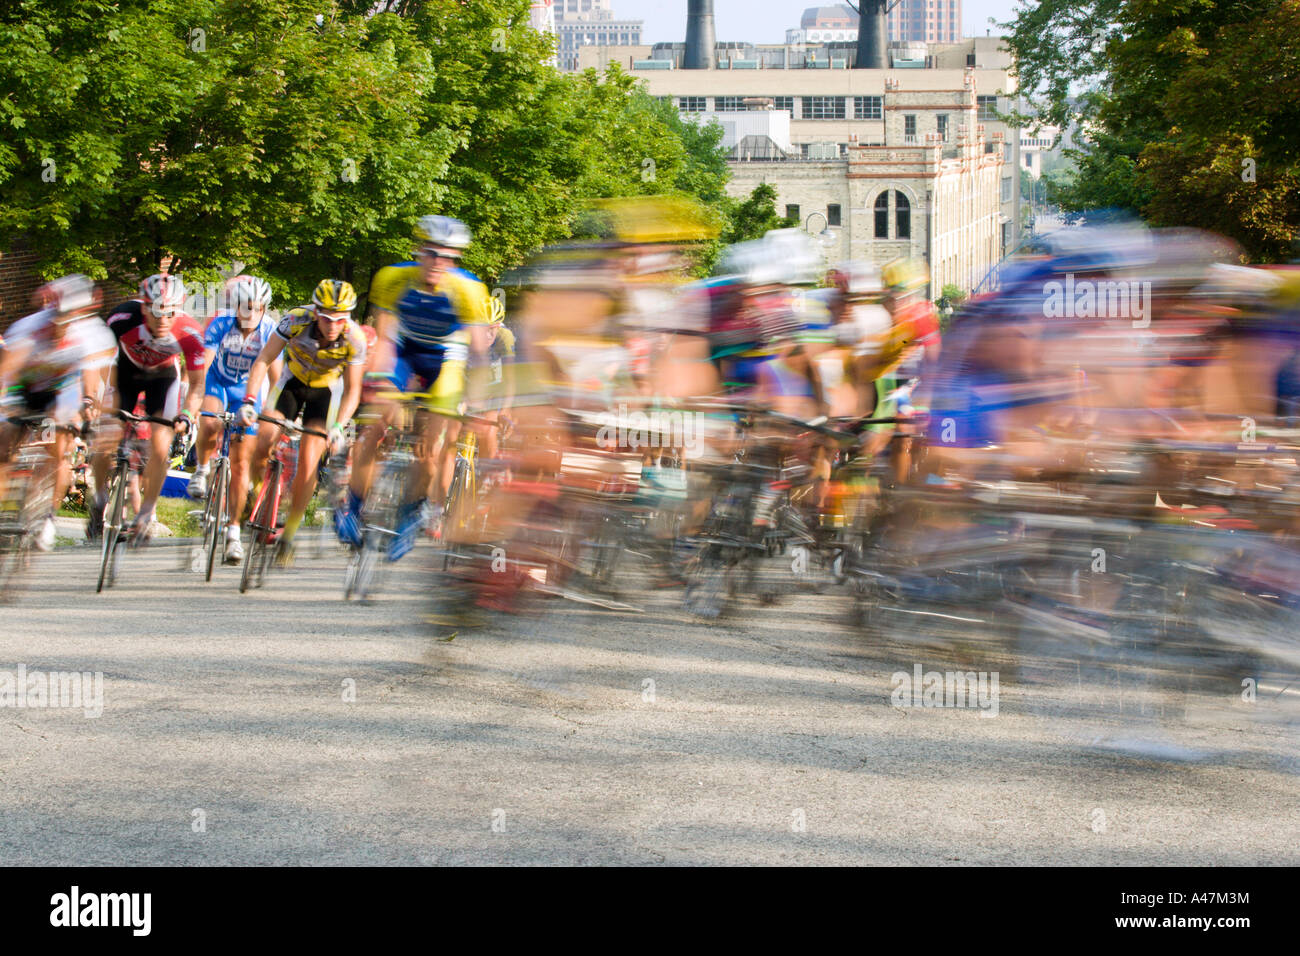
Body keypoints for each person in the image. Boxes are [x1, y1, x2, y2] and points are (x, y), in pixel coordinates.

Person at [336, 215, 491, 561]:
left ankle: (411, 513)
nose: (439, 263)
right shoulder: (393, 278)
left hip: (446, 358)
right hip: (404, 349)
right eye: (432, 253)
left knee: (430, 447)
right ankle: (354, 504)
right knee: (374, 426)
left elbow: (479, 354)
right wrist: (380, 388)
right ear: (418, 251)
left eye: (449, 257)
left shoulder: (468, 290)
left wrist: (478, 401)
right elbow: (385, 340)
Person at [240, 279, 366, 565]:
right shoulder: (295, 318)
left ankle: (290, 533)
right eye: (326, 317)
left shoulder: (355, 339)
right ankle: (258, 495)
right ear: (316, 310)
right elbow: (263, 360)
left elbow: (353, 390)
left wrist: (338, 427)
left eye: (340, 319)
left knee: (309, 462)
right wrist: (249, 400)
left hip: (325, 392)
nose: (332, 325)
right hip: (291, 382)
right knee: (264, 436)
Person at [0, 275, 116, 550]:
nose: (61, 322)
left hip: (61, 391)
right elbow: (8, 371)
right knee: (4, 445)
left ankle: (48, 516)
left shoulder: (88, 335)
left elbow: (88, 378)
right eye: (57, 315)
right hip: (24, 385)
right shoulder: (28, 328)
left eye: (70, 316)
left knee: (57, 446)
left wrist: (87, 405)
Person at [91, 273, 206, 543]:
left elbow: (198, 385)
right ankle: (98, 499)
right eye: (156, 314)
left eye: (170, 314)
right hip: (125, 373)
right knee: (106, 435)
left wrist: (187, 415)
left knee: (160, 446)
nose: (163, 321)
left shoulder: (190, 333)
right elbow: (98, 362)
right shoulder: (122, 319)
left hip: (162, 379)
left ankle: (146, 512)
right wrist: (100, 400)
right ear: (143, 307)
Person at [187, 276, 282, 564]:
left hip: (247, 392)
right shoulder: (220, 323)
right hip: (218, 382)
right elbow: (204, 366)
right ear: (236, 305)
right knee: (210, 422)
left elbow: (275, 379)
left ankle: (233, 533)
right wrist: (197, 400)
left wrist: (272, 415)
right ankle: (203, 468)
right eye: (245, 307)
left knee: (241, 464)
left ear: (265, 307)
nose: (251, 313)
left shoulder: (269, 330)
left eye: (257, 307)